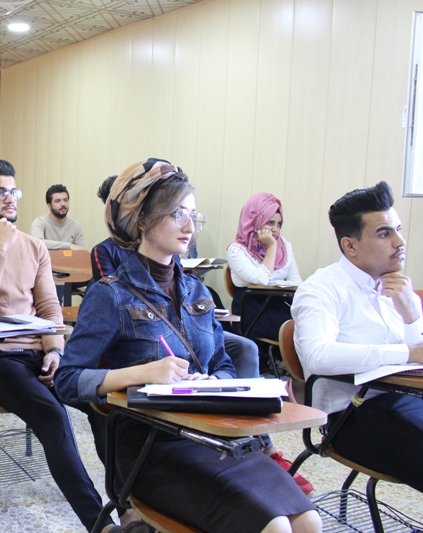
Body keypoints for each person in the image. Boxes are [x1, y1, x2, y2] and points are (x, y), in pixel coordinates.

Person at [55, 159, 321, 533]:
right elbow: (67, 380)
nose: (189, 227)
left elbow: (222, 363)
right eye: (178, 214)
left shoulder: (198, 292)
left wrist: (218, 384)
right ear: (142, 219)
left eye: (194, 216)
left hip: (212, 437)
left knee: (308, 521)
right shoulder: (111, 294)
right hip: (152, 446)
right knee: (274, 527)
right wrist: (139, 374)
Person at [0, 160, 134, 533]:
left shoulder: (34, 247)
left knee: (103, 404)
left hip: (39, 354)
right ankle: (101, 526)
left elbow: (49, 308)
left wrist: (55, 351)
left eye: (13, 191)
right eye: (1, 191)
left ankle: (127, 509)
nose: (11, 198)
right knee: (53, 415)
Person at [292, 181, 423, 492]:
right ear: (350, 245)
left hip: (406, 399)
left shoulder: (399, 288)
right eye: (384, 234)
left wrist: (411, 314)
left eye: (398, 230)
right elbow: (318, 356)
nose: (400, 242)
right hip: (352, 415)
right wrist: (405, 352)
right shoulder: (321, 289)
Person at [227, 193, 302, 340]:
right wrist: (272, 247)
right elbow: (261, 279)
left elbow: (297, 281)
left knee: (310, 323)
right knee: (298, 331)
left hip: (280, 305)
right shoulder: (237, 250)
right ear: (254, 221)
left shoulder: (285, 246)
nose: (275, 229)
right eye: (270, 223)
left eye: (279, 224)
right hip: (253, 311)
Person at [31, 184, 86, 250]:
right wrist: (69, 246)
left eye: (65, 200)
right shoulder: (40, 222)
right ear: (49, 205)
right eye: (57, 201)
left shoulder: (76, 225)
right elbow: (38, 243)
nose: (63, 204)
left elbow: (82, 250)